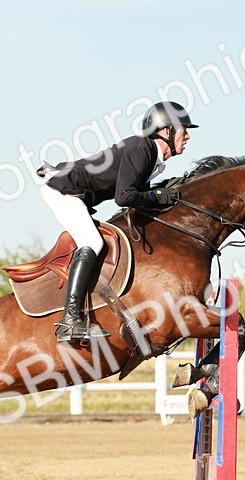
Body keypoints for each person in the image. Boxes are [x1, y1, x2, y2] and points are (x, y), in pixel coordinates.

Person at [39, 101, 197, 344]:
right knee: (92, 241)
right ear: (166, 131)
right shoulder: (141, 149)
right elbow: (124, 197)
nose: (187, 137)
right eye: (183, 130)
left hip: (73, 191)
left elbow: (136, 193)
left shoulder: (150, 156)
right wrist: (157, 196)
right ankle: (70, 321)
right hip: (62, 190)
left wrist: (164, 191)